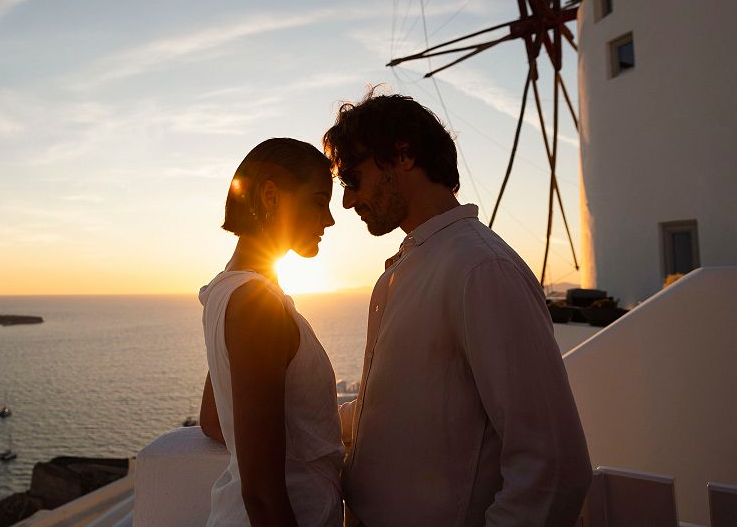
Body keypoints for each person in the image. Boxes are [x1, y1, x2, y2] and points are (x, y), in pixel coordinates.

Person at [323, 90, 592, 526]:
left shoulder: (482, 269)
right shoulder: (416, 266)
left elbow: (554, 464)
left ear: (403, 155)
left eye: (353, 178)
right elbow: (404, 406)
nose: (348, 201)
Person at [198, 137, 344, 527]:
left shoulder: (229, 291)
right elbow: (262, 494)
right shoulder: (255, 305)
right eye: (319, 201)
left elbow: (213, 419)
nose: (329, 219)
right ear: (270, 196)